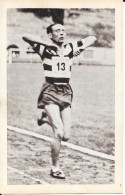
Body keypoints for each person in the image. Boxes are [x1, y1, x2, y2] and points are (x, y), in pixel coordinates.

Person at [23, 23, 97, 179]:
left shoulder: (71, 47)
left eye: (63, 30)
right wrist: (46, 43)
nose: (62, 33)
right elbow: (25, 37)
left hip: (66, 91)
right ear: (51, 35)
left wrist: (80, 48)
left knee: (66, 136)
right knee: (58, 132)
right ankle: (55, 167)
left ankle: (43, 118)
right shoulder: (45, 49)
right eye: (57, 31)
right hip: (50, 91)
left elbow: (93, 38)